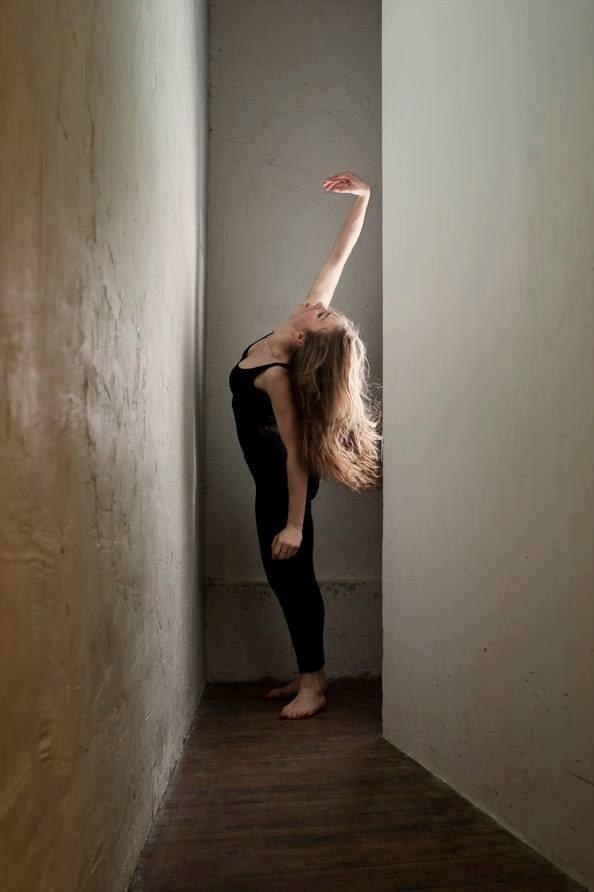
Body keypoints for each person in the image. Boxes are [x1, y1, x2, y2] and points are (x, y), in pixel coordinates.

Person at [228, 171, 382, 719]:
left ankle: (314, 685)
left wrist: (294, 524)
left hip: (283, 482)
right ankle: (308, 673)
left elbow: (297, 456)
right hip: (270, 476)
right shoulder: (296, 328)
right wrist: (363, 199)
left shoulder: (277, 376)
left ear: (302, 337)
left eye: (321, 313)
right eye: (323, 308)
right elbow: (337, 259)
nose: (316, 302)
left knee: (293, 577)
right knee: (281, 578)